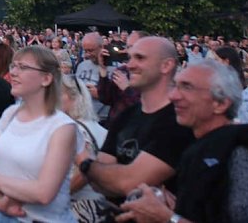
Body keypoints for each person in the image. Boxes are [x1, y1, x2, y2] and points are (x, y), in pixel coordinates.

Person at [119, 59, 248, 222]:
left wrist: (167, 218)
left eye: (187, 87)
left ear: (220, 103)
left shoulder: (240, 151)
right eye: (175, 86)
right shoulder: (199, 147)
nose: (173, 96)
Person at [0, 46, 81, 222]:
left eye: (22, 67)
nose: (14, 73)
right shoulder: (10, 114)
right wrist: (0, 203)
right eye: (13, 66)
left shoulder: (63, 128)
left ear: (46, 78)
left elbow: (43, 193)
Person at [81, 37, 194, 200]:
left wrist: (85, 164)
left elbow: (129, 182)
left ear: (166, 65)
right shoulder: (126, 116)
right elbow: (98, 185)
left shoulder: (180, 118)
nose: (129, 65)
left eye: (140, 58)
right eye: (130, 57)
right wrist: (101, 173)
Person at [60, 75, 109, 223]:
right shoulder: (95, 126)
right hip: (99, 205)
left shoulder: (77, 130)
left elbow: (85, 172)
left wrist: (56, 197)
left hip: (81, 208)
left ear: (74, 98)